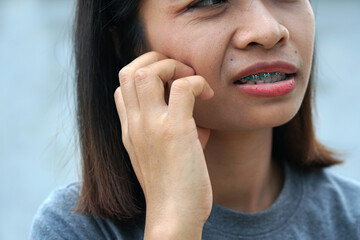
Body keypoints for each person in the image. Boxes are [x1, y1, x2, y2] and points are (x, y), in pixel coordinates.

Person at [30, 0, 360, 239]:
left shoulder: (351, 219)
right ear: (125, 43)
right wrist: (174, 220)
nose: (269, 30)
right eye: (209, 1)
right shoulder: (75, 229)